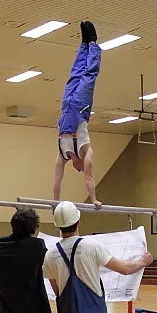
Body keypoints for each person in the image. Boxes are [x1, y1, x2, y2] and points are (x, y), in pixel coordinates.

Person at [53, 21, 103, 209]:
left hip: (66, 107)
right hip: (81, 107)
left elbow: (57, 181)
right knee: (89, 74)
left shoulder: (61, 156)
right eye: (81, 169)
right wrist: (94, 200)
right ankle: (93, 43)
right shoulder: (86, 153)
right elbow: (89, 177)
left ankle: (83, 44)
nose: (79, 169)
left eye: (79, 170)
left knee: (75, 74)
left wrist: (55, 203)